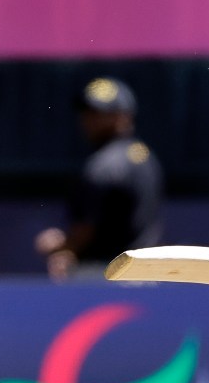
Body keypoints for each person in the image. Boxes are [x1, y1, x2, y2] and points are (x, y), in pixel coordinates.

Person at [34, 77, 164, 281]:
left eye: (99, 114)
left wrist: (61, 245)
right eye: (86, 113)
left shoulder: (103, 166)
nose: (88, 120)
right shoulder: (145, 156)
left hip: (105, 276)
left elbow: (86, 230)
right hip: (143, 276)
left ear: (123, 116)